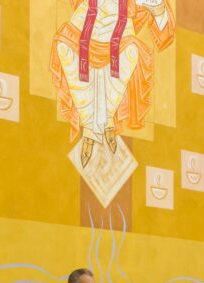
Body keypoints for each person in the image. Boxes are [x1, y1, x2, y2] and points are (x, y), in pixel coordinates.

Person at [50, 0, 176, 166]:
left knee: (131, 52)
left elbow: (161, 20)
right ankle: (89, 125)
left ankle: (107, 117)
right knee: (63, 46)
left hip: (119, 24)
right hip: (86, 19)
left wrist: (158, 8)